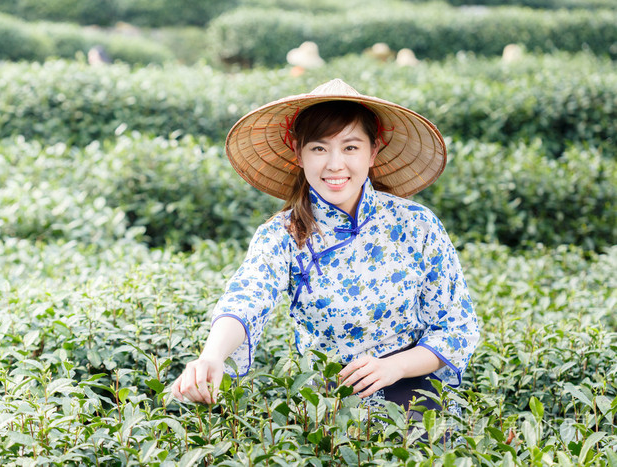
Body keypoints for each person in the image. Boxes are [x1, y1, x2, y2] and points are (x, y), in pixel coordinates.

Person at [171, 79, 480, 414]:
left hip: (412, 389)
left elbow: (456, 325)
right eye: (319, 148)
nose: (335, 164)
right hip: (324, 395)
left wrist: (396, 367)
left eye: (350, 148)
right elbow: (248, 295)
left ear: (373, 152)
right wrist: (211, 356)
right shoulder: (282, 235)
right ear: (298, 154)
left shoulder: (416, 224)